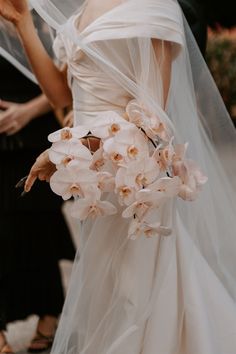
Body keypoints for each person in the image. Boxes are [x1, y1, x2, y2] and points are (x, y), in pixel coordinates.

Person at [1, 0, 236, 353]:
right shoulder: (85, 11)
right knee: (111, 292)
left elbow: (150, 122)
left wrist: (67, 149)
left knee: (140, 295)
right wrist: (23, 24)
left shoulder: (154, 8)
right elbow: (59, 93)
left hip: (134, 179)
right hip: (97, 184)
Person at [0, 56, 75, 353]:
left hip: (35, 136)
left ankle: (50, 310)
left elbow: (68, 83)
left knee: (39, 227)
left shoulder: (39, 22)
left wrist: (27, 112)